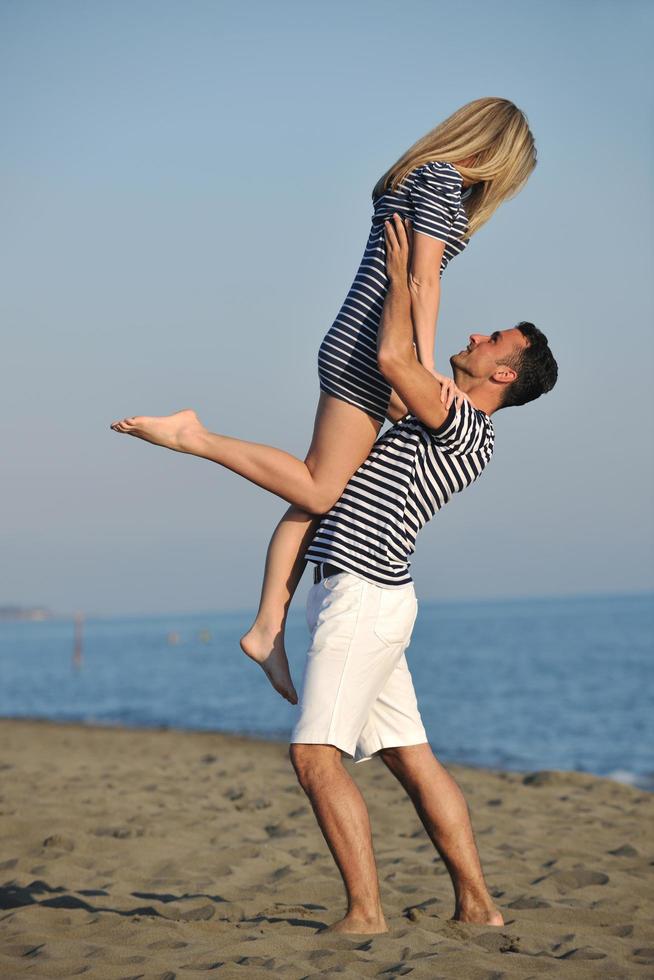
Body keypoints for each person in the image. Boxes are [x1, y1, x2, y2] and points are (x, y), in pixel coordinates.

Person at [112, 214, 558, 932]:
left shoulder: (463, 423)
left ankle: (366, 914)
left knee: (315, 757)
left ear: (505, 375)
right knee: (415, 762)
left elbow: (391, 357)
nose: (478, 336)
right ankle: (479, 907)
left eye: (495, 340)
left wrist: (400, 276)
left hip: (363, 597)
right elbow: (377, 383)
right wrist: (415, 278)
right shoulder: (441, 416)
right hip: (368, 597)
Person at [112, 98, 538, 708]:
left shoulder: (409, 175)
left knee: (325, 489)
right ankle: (193, 436)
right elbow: (422, 280)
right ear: (494, 153)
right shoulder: (443, 181)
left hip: (355, 338)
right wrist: (419, 365)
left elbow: (406, 277)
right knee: (316, 487)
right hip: (371, 350)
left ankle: (267, 628)